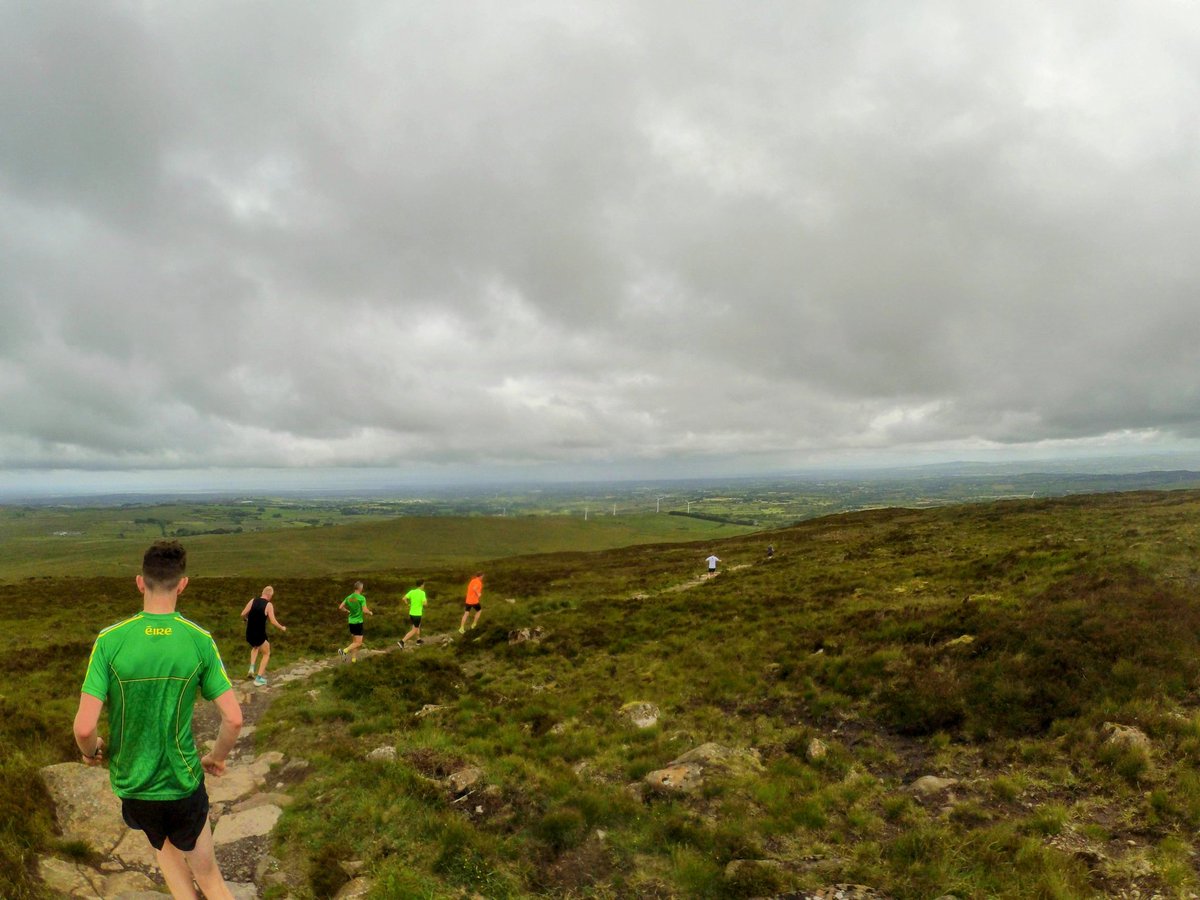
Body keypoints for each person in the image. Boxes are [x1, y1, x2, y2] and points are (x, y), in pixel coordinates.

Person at [73, 540, 242, 900]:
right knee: (210, 879)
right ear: (182, 584)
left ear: (139, 582)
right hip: (182, 784)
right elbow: (234, 719)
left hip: (134, 784)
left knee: (163, 848)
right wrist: (217, 757)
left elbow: (84, 728)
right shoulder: (199, 641)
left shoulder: (109, 641)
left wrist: (91, 752)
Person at [240, 585, 286, 686]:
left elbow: (243, 614)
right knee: (266, 653)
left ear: (263, 592)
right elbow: (273, 621)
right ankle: (258, 679)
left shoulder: (253, 600)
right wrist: (281, 627)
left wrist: (246, 619)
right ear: (270, 595)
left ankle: (251, 669)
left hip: (249, 633)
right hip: (259, 634)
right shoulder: (269, 605)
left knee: (255, 647)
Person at [338, 581, 372, 663]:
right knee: (359, 643)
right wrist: (370, 612)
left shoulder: (349, 597)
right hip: (358, 622)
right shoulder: (361, 598)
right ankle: (344, 651)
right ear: (360, 588)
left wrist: (346, 611)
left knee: (354, 642)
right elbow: (364, 610)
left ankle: (353, 660)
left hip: (351, 622)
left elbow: (340, 607)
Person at [398, 580, 427, 648]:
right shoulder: (422, 593)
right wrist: (420, 603)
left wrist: (408, 604)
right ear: (422, 585)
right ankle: (402, 641)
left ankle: (418, 640)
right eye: (424, 585)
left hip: (411, 613)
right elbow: (425, 603)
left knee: (417, 626)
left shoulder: (412, 591)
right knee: (414, 630)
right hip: (417, 614)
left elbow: (404, 598)